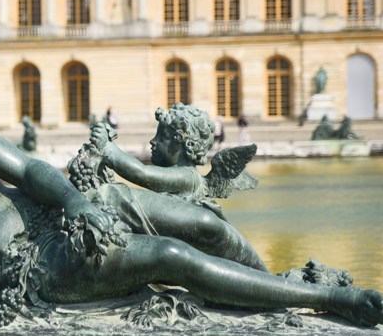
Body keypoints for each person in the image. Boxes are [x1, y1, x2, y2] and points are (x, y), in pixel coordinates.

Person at [0, 37, 383, 330]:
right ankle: (324, 302)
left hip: (49, 224)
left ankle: (279, 283)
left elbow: (28, 170)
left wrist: (74, 202)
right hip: (16, 274)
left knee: (200, 224)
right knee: (173, 257)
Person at [86, 104, 267, 272]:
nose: (153, 141)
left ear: (184, 145)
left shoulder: (187, 176)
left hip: (213, 236)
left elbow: (143, 174)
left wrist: (109, 149)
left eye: (162, 137)